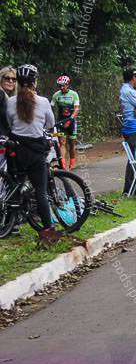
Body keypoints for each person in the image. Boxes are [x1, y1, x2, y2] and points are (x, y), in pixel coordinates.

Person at [5, 64, 64, 245]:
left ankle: (10, 223)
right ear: (34, 82)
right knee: (40, 191)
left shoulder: (10, 102)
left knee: (15, 184)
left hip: (16, 149)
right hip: (35, 151)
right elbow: (49, 123)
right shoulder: (44, 102)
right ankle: (47, 230)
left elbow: (9, 123)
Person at [51, 74, 81, 169]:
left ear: (68, 84)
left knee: (72, 143)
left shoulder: (74, 94)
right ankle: (63, 165)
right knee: (62, 142)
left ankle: (71, 163)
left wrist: (71, 119)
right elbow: (50, 107)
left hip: (71, 121)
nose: (61, 87)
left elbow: (77, 109)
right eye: (60, 85)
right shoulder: (56, 95)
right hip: (61, 121)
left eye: (63, 85)